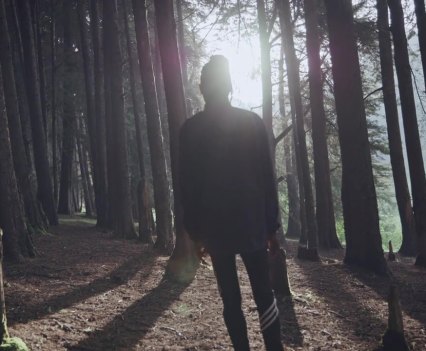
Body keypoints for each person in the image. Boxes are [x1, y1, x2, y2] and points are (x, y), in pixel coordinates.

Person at [179, 55, 284, 351]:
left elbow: (189, 187)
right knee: (265, 295)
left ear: (202, 88)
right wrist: (271, 226)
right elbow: (267, 178)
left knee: (231, 300)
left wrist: (196, 233)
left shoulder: (190, 131)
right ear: (229, 86)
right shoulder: (252, 123)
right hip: (252, 223)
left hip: (216, 228)